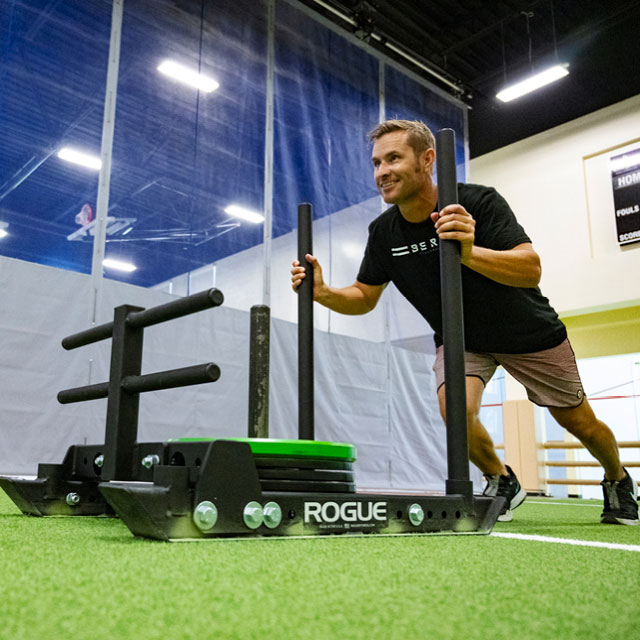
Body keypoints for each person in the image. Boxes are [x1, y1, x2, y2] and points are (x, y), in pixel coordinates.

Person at [291, 119, 638, 525]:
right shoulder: (383, 232)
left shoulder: (479, 203)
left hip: (528, 333)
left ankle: (617, 479)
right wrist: (324, 292)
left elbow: (531, 269)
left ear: (427, 159)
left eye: (393, 158)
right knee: (453, 409)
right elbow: (364, 297)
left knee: (579, 422)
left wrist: (470, 253)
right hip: (462, 339)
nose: (381, 172)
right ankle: (501, 479)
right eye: (376, 163)